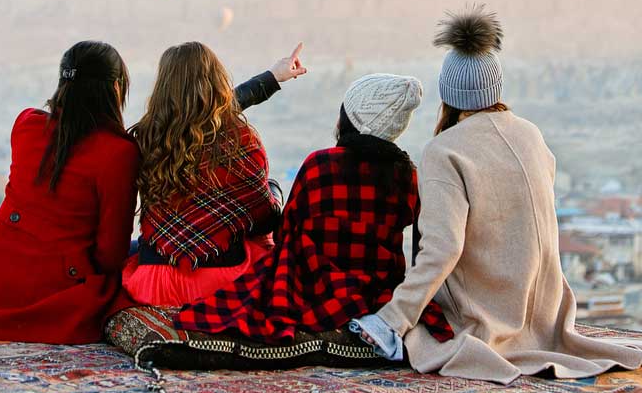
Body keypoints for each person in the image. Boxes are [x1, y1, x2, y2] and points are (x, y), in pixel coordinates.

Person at [351, 7, 642, 382]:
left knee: (417, 330)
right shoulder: (530, 134)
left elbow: (442, 250)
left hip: (487, 313)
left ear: (448, 94)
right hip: (545, 312)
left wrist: (392, 319)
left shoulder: (444, 151)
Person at [174, 74, 453, 345]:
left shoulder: (319, 165)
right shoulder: (408, 177)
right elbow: (421, 242)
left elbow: (285, 232)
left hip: (313, 285)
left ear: (349, 120)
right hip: (375, 289)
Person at [0, 41, 140, 344]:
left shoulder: (26, 125)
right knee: (143, 257)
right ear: (115, 89)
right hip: (50, 297)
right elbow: (109, 255)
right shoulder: (118, 153)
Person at [120, 41, 302, 307]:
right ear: (217, 82)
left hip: (153, 282)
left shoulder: (147, 137)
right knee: (270, 200)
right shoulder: (241, 140)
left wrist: (272, 78)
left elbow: (201, 120)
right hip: (222, 282)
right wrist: (275, 194)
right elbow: (264, 220)